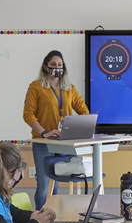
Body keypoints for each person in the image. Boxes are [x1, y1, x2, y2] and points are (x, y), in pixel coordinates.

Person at [22, 50, 89, 209]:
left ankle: (53, 217)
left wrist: (74, 128)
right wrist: (44, 132)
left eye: (60, 65)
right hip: (43, 141)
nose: (57, 68)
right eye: (53, 65)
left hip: (64, 142)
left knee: (57, 184)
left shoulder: (69, 88)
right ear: (45, 67)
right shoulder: (36, 86)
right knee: (45, 185)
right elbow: (28, 114)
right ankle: (40, 219)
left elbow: (84, 111)